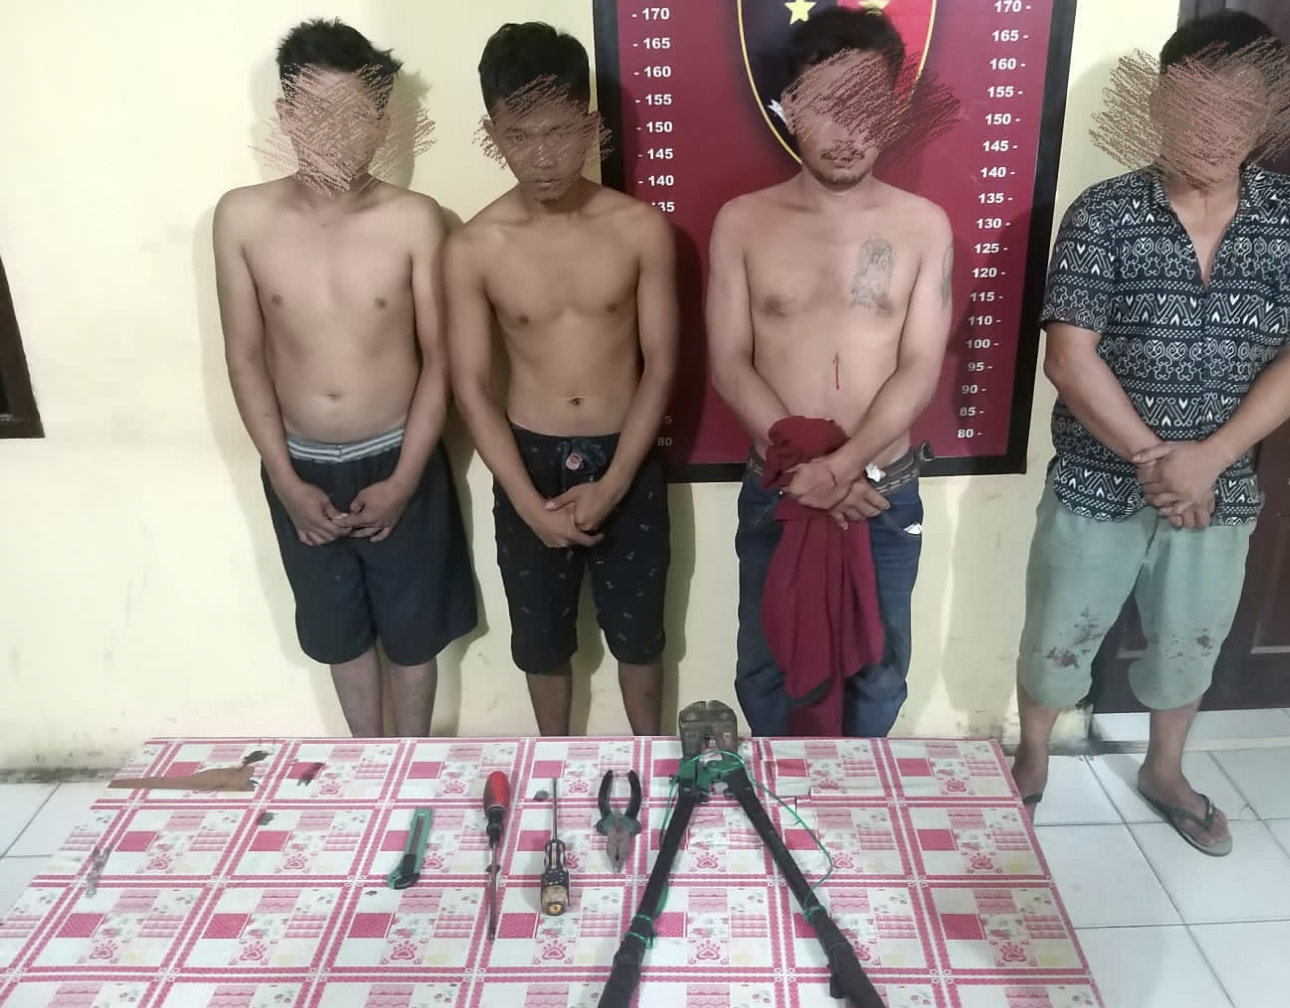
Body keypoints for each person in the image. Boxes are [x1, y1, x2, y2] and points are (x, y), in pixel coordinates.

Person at [1011, 12, 1290, 854]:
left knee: (1192, 638)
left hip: (1219, 489)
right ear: (1160, 105)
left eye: (1239, 109)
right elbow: (1069, 357)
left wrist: (1210, 461)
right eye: (1197, 106)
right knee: (1057, 634)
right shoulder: (1105, 212)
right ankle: (1032, 758)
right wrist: (1158, 461)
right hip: (1096, 478)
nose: (1216, 129)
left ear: (1266, 114)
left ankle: (1164, 770)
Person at [213, 18, 478, 738]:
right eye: (317, 111)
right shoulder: (241, 218)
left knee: (414, 635)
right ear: (286, 114)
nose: (336, 133)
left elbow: (442, 360)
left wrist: (406, 478)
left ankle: (411, 766)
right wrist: (285, 480)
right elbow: (244, 357)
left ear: (382, 124)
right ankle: (366, 766)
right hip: (299, 464)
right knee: (340, 634)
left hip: (400, 456)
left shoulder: (416, 220)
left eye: (356, 115)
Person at [707, 8, 954, 738]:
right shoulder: (743, 221)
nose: (848, 130)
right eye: (824, 104)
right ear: (788, 107)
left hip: (882, 489)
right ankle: (781, 795)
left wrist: (842, 469)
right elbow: (728, 362)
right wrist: (804, 471)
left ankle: (857, 805)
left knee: (878, 671)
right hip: (779, 484)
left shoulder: (923, 225)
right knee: (768, 666)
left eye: (866, 105)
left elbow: (920, 365)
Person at [444, 22, 678, 737]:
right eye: (519, 136)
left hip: (626, 451)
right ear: (494, 133)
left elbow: (662, 363)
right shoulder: (474, 246)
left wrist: (614, 483)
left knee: (640, 637)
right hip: (529, 458)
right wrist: (526, 501)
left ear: (590, 124)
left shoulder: (640, 229)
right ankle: (555, 766)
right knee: (542, 643)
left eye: (558, 132)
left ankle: (651, 763)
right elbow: (471, 384)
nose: (542, 156)